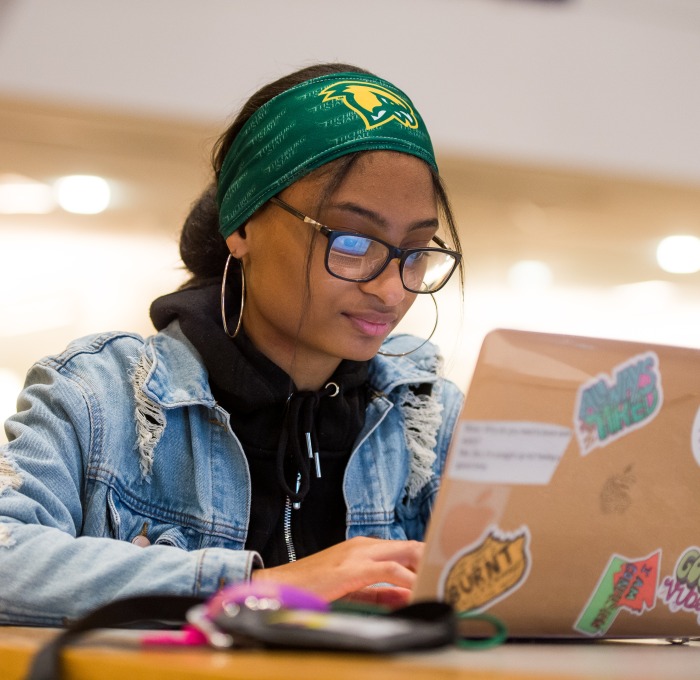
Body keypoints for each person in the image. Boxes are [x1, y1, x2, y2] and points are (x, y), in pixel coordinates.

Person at [0, 62, 464, 627]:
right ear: (241, 224)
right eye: (350, 241)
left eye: (415, 252)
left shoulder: (432, 418)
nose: (391, 288)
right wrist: (257, 587)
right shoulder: (100, 396)